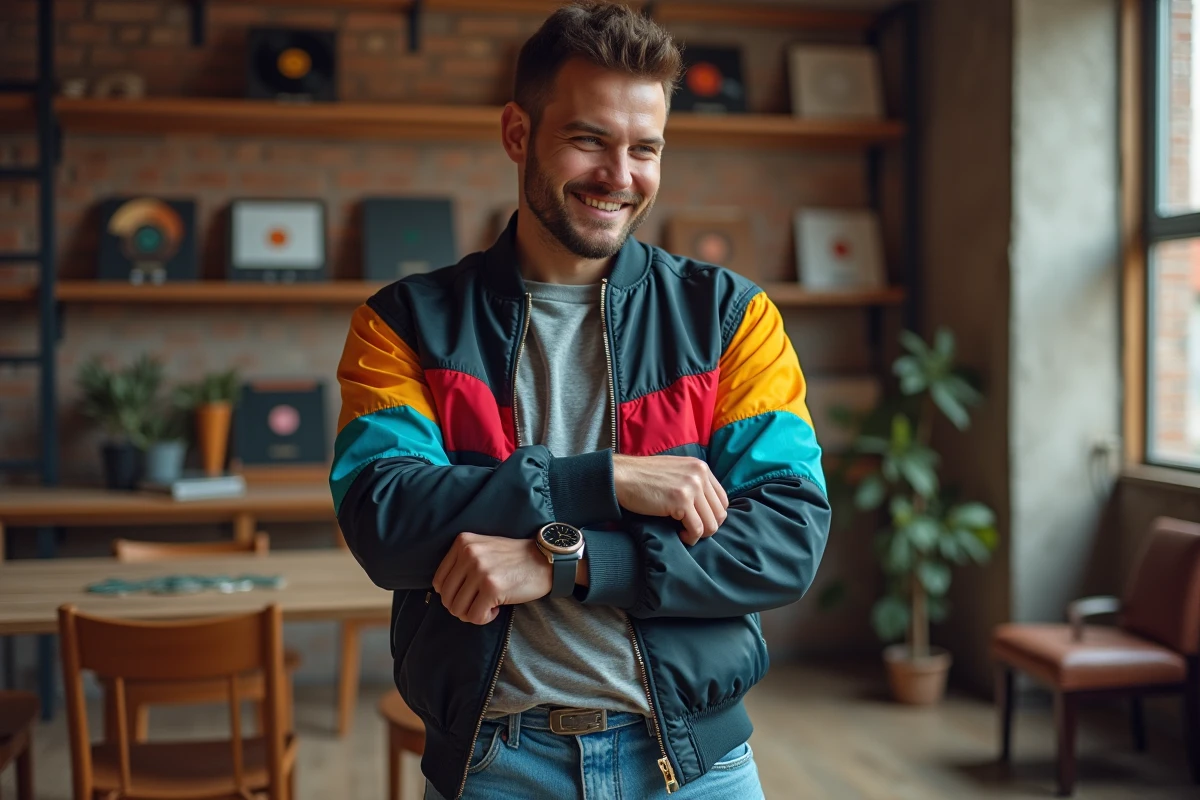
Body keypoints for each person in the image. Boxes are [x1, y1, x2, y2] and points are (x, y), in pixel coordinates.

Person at [331, 2, 831, 797]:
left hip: (697, 770)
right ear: (517, 134)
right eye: (588, 139)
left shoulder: (732, 319)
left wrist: (566, 563)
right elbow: (384, 519)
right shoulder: (404, 324)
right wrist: (601, 480)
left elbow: (786, 538)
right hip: (497, 764)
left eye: (645, 149)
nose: (620, 176)